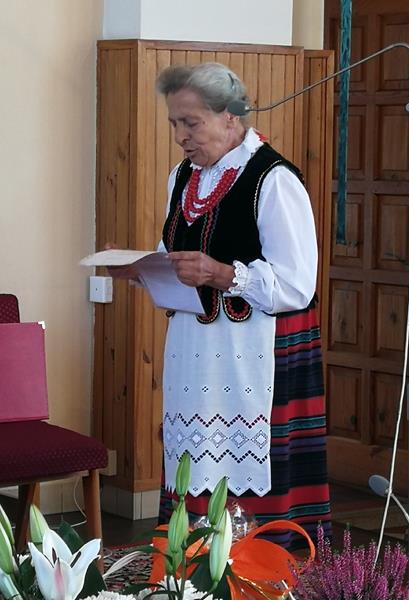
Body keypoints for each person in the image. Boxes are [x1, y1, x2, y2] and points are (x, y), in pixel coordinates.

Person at [155, 62, 331, 550]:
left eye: (191, 123)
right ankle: (191, 569)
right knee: (194, 462)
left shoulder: (273, 180)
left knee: (251, 474)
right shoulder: (183, 177)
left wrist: (220, 273)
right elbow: (175, 248)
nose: (180, 136)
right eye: (174, 123)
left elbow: (297, 284)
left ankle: (263, 570)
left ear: (231, 116)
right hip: (195, 353)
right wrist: (144, 267)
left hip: (257, 354)